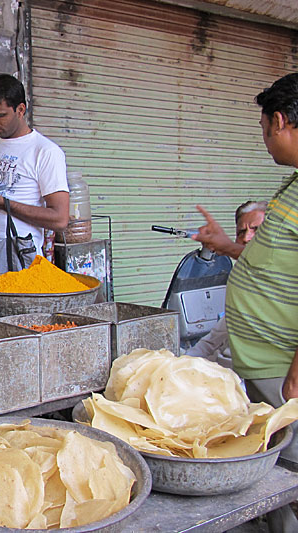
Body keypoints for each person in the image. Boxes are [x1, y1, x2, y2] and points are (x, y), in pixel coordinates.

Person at [193, 74, 298, 533]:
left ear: (279, 121)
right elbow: (276, 262)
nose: (264, 140)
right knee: (271, 475)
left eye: (262, 128)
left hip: (283, 371)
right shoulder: (291, 187)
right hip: (261, 364)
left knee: (292, 473)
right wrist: (227, 245)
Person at [0, 74, 69, 275]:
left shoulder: (45, 151)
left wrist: (1, 202)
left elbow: (60, 219)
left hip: (19, 253)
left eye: (0, 115)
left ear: (20, 110)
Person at [185, 200, 267, 363]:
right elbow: (216, 336)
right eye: (241, 232)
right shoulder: (242, 280)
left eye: (256, 229)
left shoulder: (284, 280)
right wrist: (182, 361)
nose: (246, 238)